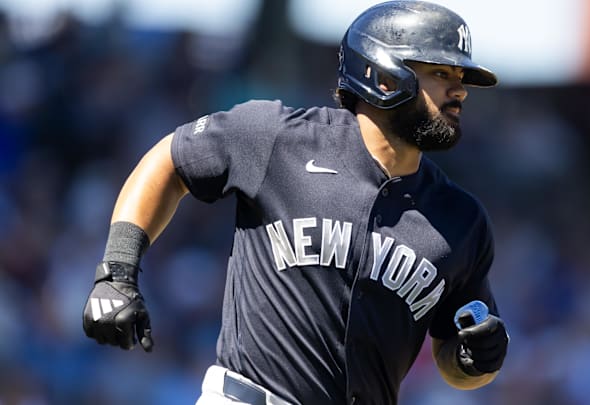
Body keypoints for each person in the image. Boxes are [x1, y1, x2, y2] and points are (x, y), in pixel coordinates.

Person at [82, 1, 509, 404]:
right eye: (441, 73)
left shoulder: (462, 219)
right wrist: (117, 271)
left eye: (460, 78)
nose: (460, 91)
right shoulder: (278, 137)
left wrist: (475, 361)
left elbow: (454, 361)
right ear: (384, 76)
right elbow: (170, 160)